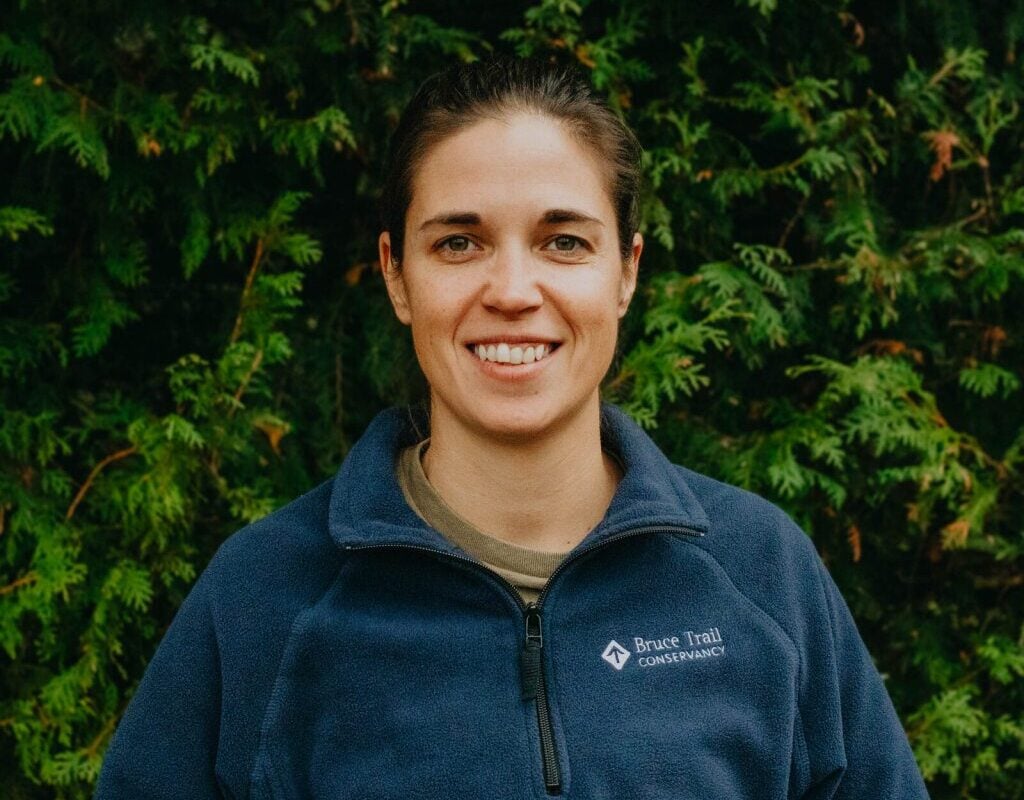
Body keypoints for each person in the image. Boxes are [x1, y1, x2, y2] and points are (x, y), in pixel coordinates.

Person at [95, 58, 930, 799]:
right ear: (396, 275)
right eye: (459, 243)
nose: (512, 290)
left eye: (563, 242)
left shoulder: (762, 574)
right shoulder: (266, 597)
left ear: (626, 272)